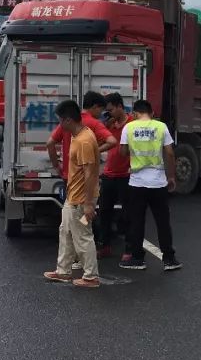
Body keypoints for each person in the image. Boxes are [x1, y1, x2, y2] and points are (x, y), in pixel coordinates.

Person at [47, 91, 115, 262]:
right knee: (80, 222)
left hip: (68, 179)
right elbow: (112, 141)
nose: (101, 114)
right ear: (94, 107)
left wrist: (56, 165)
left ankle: (82, 264)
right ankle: (81, 260)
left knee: (75, 223)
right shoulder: (91, 124)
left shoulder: (69, 123)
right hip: (85, 182)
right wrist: (95, 151)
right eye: (101, 109)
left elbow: (50, 143)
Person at [118, 100, 182, 272]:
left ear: (135, 113)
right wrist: (171, 176)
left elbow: (122, 152)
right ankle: (169, 259)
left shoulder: (128, 128)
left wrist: (133, 150)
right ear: (152, 112)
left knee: (137, 222)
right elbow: (169, 153)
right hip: (158, 182)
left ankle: (138, 258)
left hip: (137, 182)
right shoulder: (161, 127)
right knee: (162, 222)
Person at [43, 100, 102, 288]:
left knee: (83, 236)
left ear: (68, 120)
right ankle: (63, 271)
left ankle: (91, 276)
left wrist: (89, 203)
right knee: (66, 232)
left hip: (81, 199)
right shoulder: (79, 136)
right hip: (73, 197)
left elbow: (90, 173)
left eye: (61, 120)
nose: (60, 125)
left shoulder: (84, 141)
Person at [97, 92, 135, 258]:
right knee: (104, 211)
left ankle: (129, 248)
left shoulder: (133, 124)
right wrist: (106, 125)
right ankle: (104, 245)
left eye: (111, 110)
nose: (109, 113)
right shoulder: (109, 125)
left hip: (126, 174)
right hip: (108, 174)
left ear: (120, 107)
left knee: (128, 214)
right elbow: (98, 142)